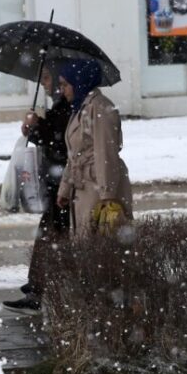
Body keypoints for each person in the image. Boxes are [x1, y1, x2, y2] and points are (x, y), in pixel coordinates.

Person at [2, 62, 71, 315]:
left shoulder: (69, 106)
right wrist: (34, 129)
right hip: (59, 182)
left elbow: (59, 140)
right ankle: (38, 285)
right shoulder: (63, 105)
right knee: (50, 236)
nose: (45, 83)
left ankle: (40, 289)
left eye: (48, 78)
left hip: (64, 183)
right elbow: (52, 135)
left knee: (53, 237)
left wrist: (38, 126)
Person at [55, 59, 133, 239]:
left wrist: (107, 196)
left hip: (98, 187)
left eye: (65, 85)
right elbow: (74, 154)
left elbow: (105, 153)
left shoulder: (99, 107)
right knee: (87, 243)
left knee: (100, 244)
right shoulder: (80, 108)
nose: (62, 90)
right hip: (85, 186)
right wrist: (65, 189)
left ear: (79, 82)